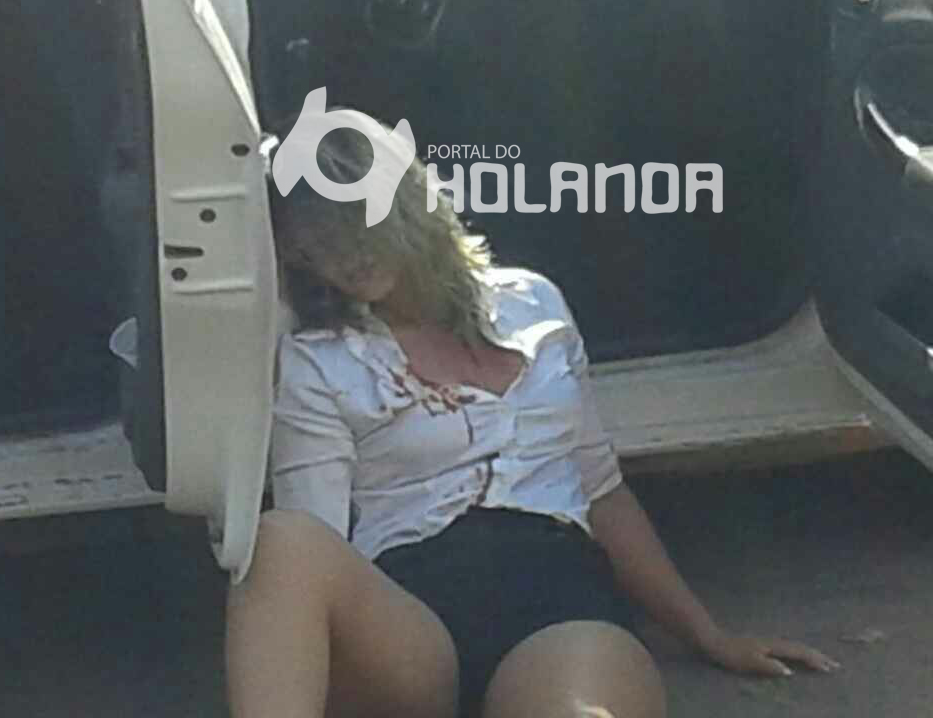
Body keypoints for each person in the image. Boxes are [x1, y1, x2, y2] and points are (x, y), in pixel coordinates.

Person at [227, 114, 839, 718]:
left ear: (403, 195)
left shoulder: (534, 302)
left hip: (555, 598)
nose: (344, 256)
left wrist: (708, 635)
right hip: (411, 618)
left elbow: (602, 491)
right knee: (283, 540)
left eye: (351, 220)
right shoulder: (322, 359)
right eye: (317, 245)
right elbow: (318, 544)